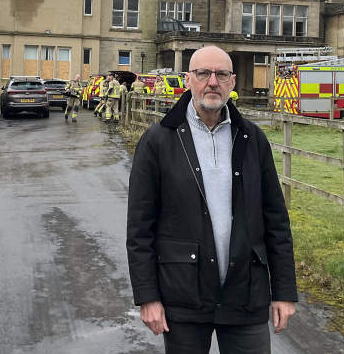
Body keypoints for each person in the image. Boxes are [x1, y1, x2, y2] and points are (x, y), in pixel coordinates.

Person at [126, 46, 297, 354]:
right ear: (189, 80)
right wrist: (147, 297)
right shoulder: (158, 140)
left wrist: (284, 291)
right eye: (203, 73)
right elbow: (140, 228)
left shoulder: (253, 138)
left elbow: (276, 220)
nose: (212, 82)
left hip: (245, 292)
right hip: (184, 295)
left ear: (232, 81)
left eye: (221, 74)